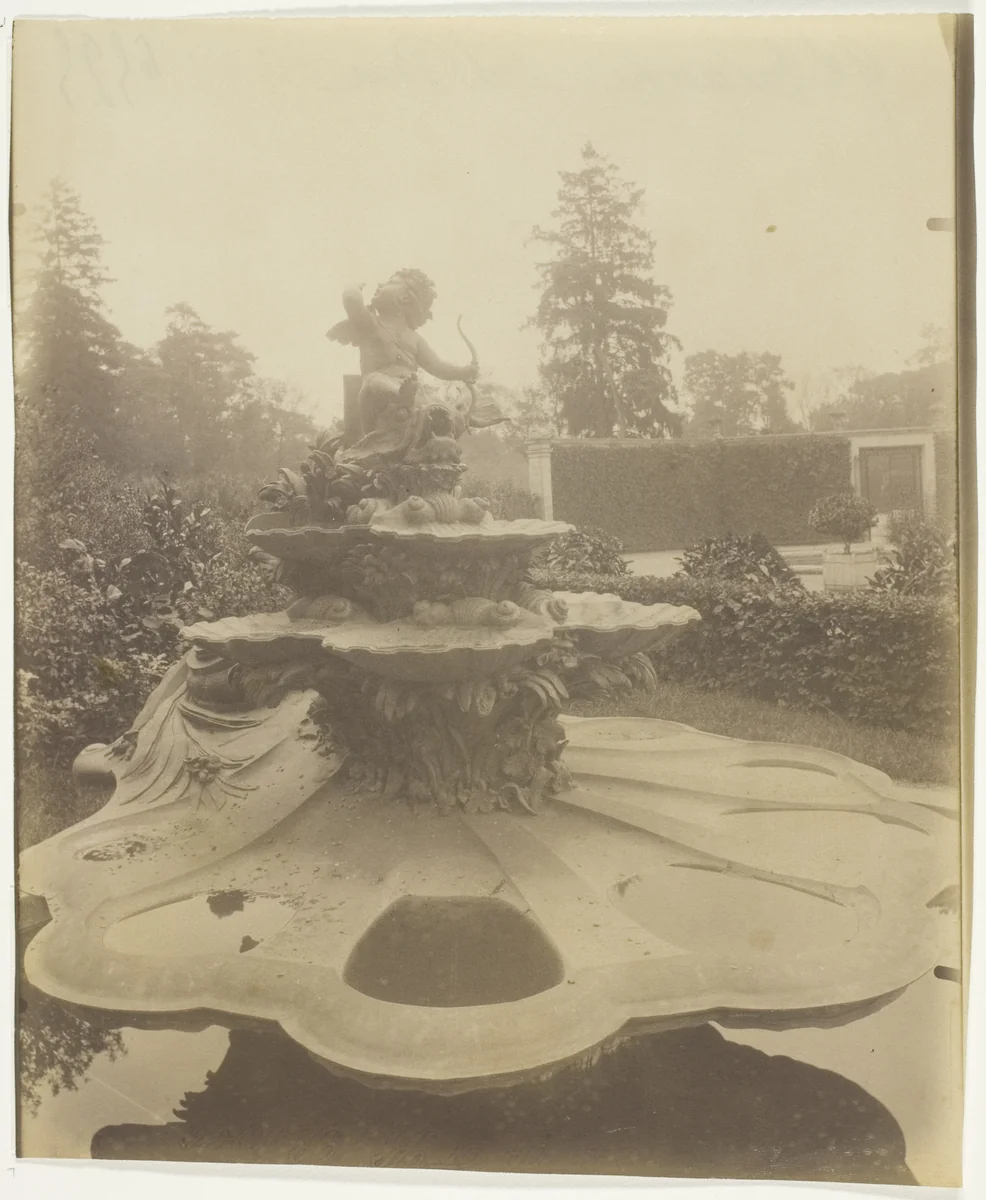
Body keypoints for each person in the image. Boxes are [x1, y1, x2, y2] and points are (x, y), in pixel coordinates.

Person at [327, 269, 479, 441]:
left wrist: (463, 372)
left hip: (413, 396)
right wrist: (354, 287)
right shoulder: (370, 324)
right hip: (377, 396)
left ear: (405, 297)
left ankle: (453, 420)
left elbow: (437, 366)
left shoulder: (415, 338)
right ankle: (400, 394)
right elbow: (351, 299)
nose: (380, 285)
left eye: (390, 282)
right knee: (373, 380)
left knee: (443, 409)